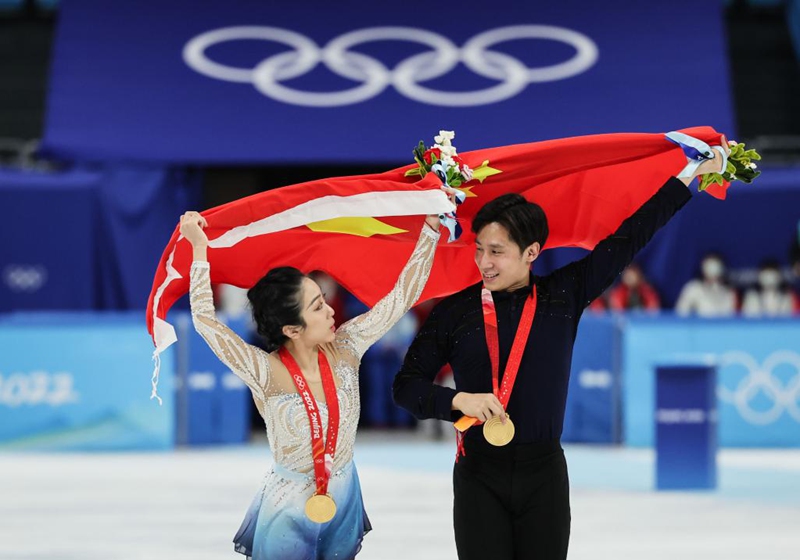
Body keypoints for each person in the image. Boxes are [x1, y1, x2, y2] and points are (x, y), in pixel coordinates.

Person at [392, 146, 729, 560]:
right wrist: (457, 401)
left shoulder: (563, 296)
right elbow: (406, 387)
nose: (484, 262)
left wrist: (688, 174)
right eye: (479, 249)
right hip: (479, 474)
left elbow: (630, 237)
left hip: (544, 476)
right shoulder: (455, 311)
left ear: (531, 252)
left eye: (496, 251)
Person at [179, 188, 453, 560]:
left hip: (343, 492)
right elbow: (206, 323)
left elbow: (401, 297)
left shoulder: (347, 347)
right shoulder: (266, 370)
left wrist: (430, 227)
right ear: (292, 329)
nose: (330, 312)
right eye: (317, 306)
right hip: (288, 504)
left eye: (323, 301)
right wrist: (199, 249)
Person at [675, 252, 738, 317]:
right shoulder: (693, 288)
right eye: (710, 267)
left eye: (716, 267)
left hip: (724, 326)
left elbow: (732, 317)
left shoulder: (729, 292)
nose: (713, 271)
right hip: (698, 326)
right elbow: (681, 314)